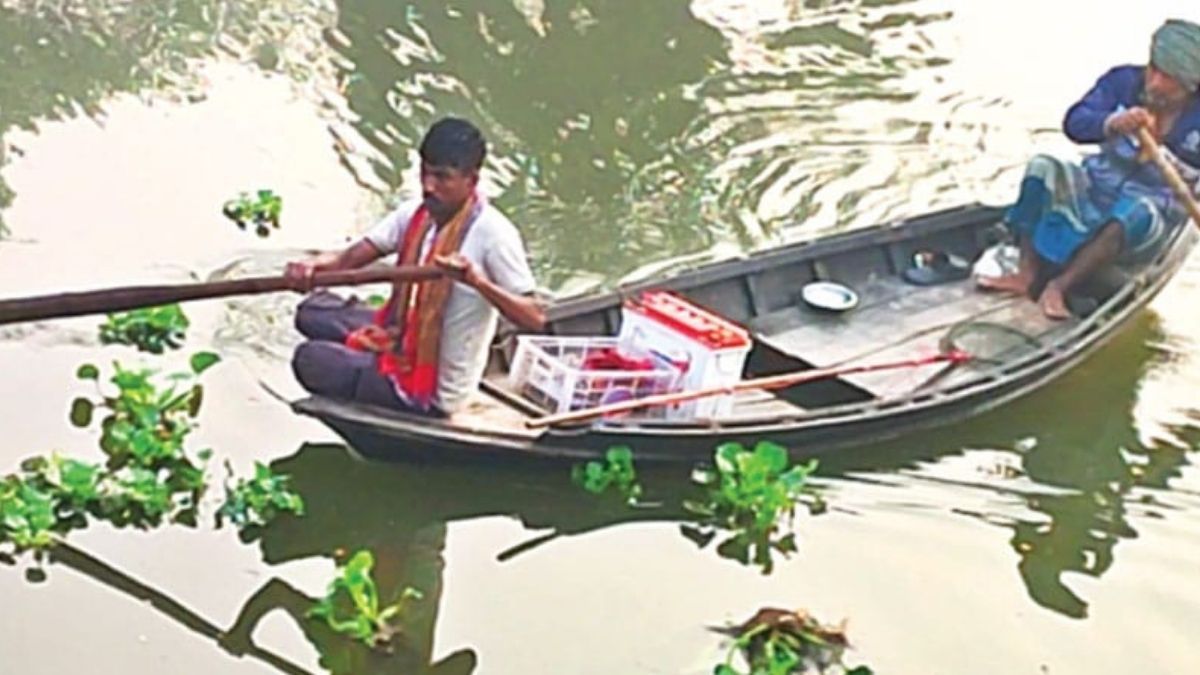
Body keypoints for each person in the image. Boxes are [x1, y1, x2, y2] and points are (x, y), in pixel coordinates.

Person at [285, 117, 545, 417]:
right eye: (424, 173)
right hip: (404, 334)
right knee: (313, 310)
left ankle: (384, 380)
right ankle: (375, 355)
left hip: (437, 386)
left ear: (471, 181)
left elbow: (535, 317)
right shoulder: (417, 214)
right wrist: (312, 267)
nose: (428, 186)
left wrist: (477, 282)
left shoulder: (494, 235)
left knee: (311, 359)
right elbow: (350, 259)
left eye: (442, 177)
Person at [978, 19, 1200, 319]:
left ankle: (1058, 287)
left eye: (1168, 78)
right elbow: (1075, 122)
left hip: (1151, 215)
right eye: (1154, 69)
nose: (1155, 83)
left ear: (1190, 85)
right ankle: (1026, 274)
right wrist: (1110, 123)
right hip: (1095, 191)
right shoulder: (1121, 82)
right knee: (1043, 167)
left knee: (1136, 209)